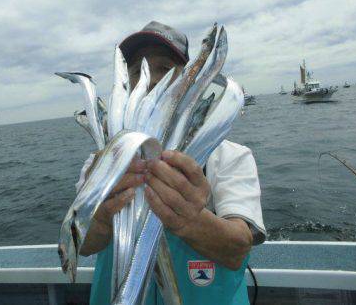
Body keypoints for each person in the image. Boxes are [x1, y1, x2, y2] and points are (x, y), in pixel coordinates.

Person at [76, 21, 266, 304]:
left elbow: (237, 249)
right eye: (136, 70)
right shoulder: (100, 162)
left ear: (190, 81)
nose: (150, 80)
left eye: (165, 68)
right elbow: (82, 245)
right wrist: (102, 216)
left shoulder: (229, 156)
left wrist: (191, 220)